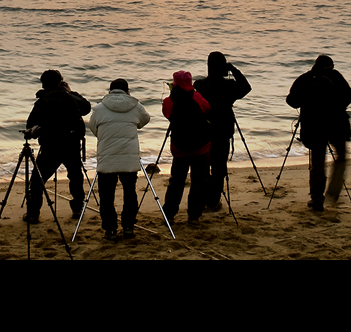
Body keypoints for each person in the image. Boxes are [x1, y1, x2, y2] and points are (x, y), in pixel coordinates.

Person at [286, 54, 351, 212]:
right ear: (331, 65)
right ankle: (334, 191)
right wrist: (337, 106)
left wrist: (308, 102)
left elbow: (291, 101)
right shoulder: (335, 76)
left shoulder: (305, 78)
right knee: (341, 156)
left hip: (314, 127)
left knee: (317, 163)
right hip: (336, 125)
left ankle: (317, 198)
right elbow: (349, 95)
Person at [86, 78, 150, 240]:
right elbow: (145, 120)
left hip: (107, 157)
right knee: (130, 192)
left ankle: (110, 229)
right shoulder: (135, 106)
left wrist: (106, 136)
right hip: (129, 158)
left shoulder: (99, 108)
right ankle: (128, 227)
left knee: (106, 196)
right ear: (127, 91)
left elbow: (93, 127)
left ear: (110, 91)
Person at [24, 69, 91, 223]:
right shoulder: (70, 98)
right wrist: (71, 92)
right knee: (75, 177)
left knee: (38, 180)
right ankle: (77, 208)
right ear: (61, 82)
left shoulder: (43, 100)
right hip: (71, 144)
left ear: (43, 84)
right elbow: (86, 108)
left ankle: (33, 213)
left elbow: (30, 124)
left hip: (50, 146)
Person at [194, 51, 251, 210]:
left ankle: (203, 198)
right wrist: (233, 69)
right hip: (223, 132)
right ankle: (213, 201)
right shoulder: (229, 86)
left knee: (203, 167)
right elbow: (246, 87)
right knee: (219, 168)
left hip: (203, 131)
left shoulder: (199, 85)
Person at [161, 70, 211, 225]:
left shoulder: (169, 101)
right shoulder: (197, 97)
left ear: (174, 83)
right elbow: (207, 108)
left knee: (176, 182)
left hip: (180, 148)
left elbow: (167, 114)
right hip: (201, 147)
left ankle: (169, 214)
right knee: (199, 182)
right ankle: (194, 215)